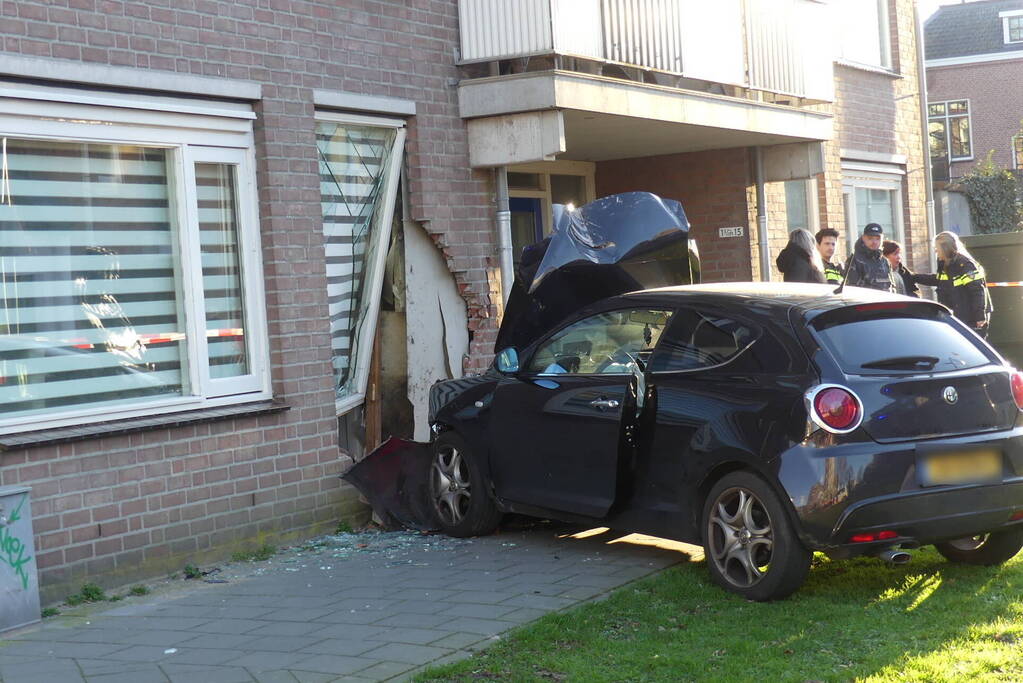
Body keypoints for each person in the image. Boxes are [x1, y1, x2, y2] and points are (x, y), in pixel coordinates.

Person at [914, 231, 993, 337]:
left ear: (945, 248)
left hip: (971, 318)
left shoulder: (965, 265)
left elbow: (977, 291)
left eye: (937, 248)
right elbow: (938, 280)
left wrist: (980, 317)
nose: (936, 251)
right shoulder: (946, 264)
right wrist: (914, 277)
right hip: (959, 316)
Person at [844, 222, 896, 292]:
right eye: (870, 238)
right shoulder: (854, 260)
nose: (874, 242)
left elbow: (892, 287)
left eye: (878, 238)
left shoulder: (885, 262)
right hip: (866, 302)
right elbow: (852, 290)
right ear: (863, 238)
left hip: (886, 301)